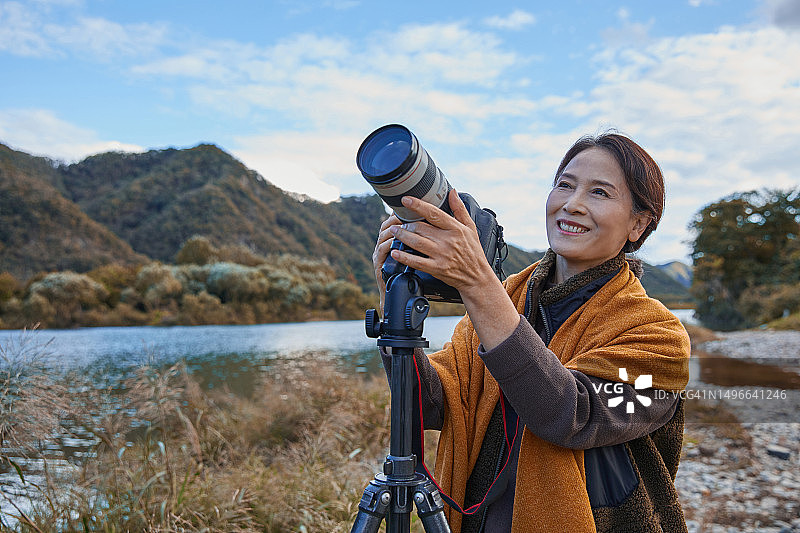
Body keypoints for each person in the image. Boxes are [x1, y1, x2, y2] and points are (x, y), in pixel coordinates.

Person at [372, 132, 691, 533]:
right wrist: (394, 304)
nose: (572, 204)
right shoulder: (506, 300)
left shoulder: (659, 336)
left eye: (599, 193)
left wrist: (477, 283)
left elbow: (572, 414)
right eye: (565, 185)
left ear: (638, 223)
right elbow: (430, 404)